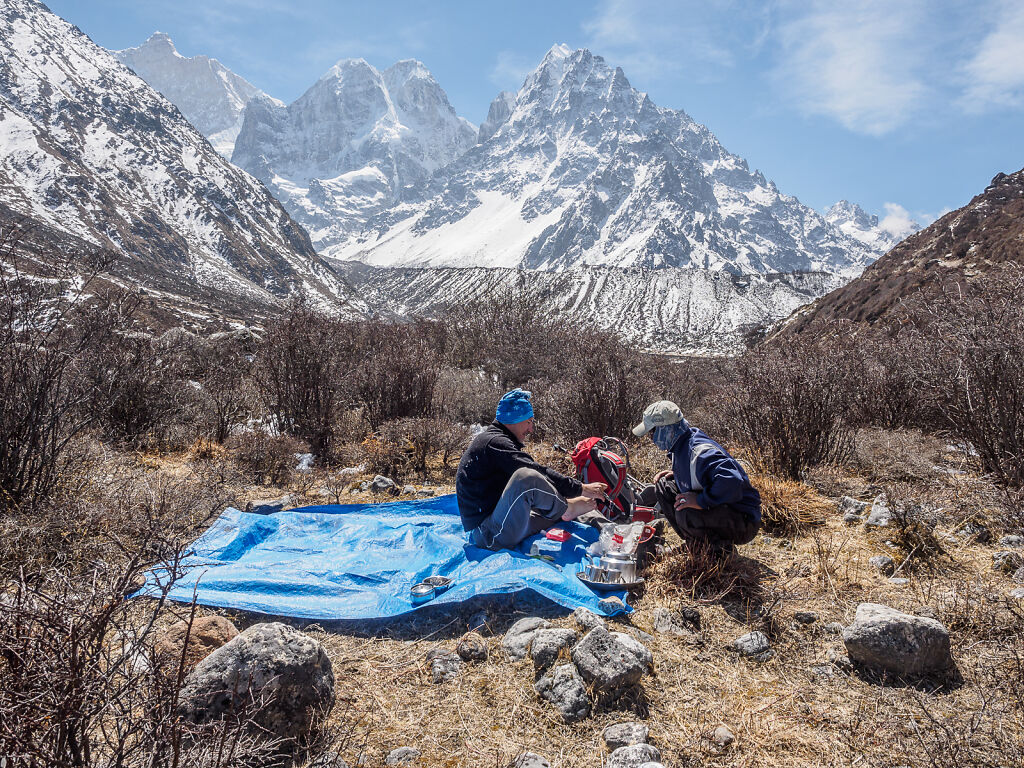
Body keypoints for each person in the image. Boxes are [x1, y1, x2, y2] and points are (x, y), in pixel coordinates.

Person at [456, 388, 607, 550]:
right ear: (513, 420)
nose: (531, 429)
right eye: (528, 422)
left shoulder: (497, 441)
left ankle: (566, 509)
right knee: (526, 477)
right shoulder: (494, 442)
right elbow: (534, 471)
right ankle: (567, 508)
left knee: (551, 509)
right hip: (489, 535)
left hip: (498, 523)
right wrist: (580, 488)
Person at [633, 400, 760, 554]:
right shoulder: (681, 442)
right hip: (725, 511)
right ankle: (695, 543)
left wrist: (700, 501)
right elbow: (703, 473)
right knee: (664, 485)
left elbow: (732, 480)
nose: (651, 438)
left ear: (665, 430)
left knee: (685, 511)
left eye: (652, 433)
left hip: (744, 520)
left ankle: (718, 551)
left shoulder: (700, 451)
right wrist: (678, 475)